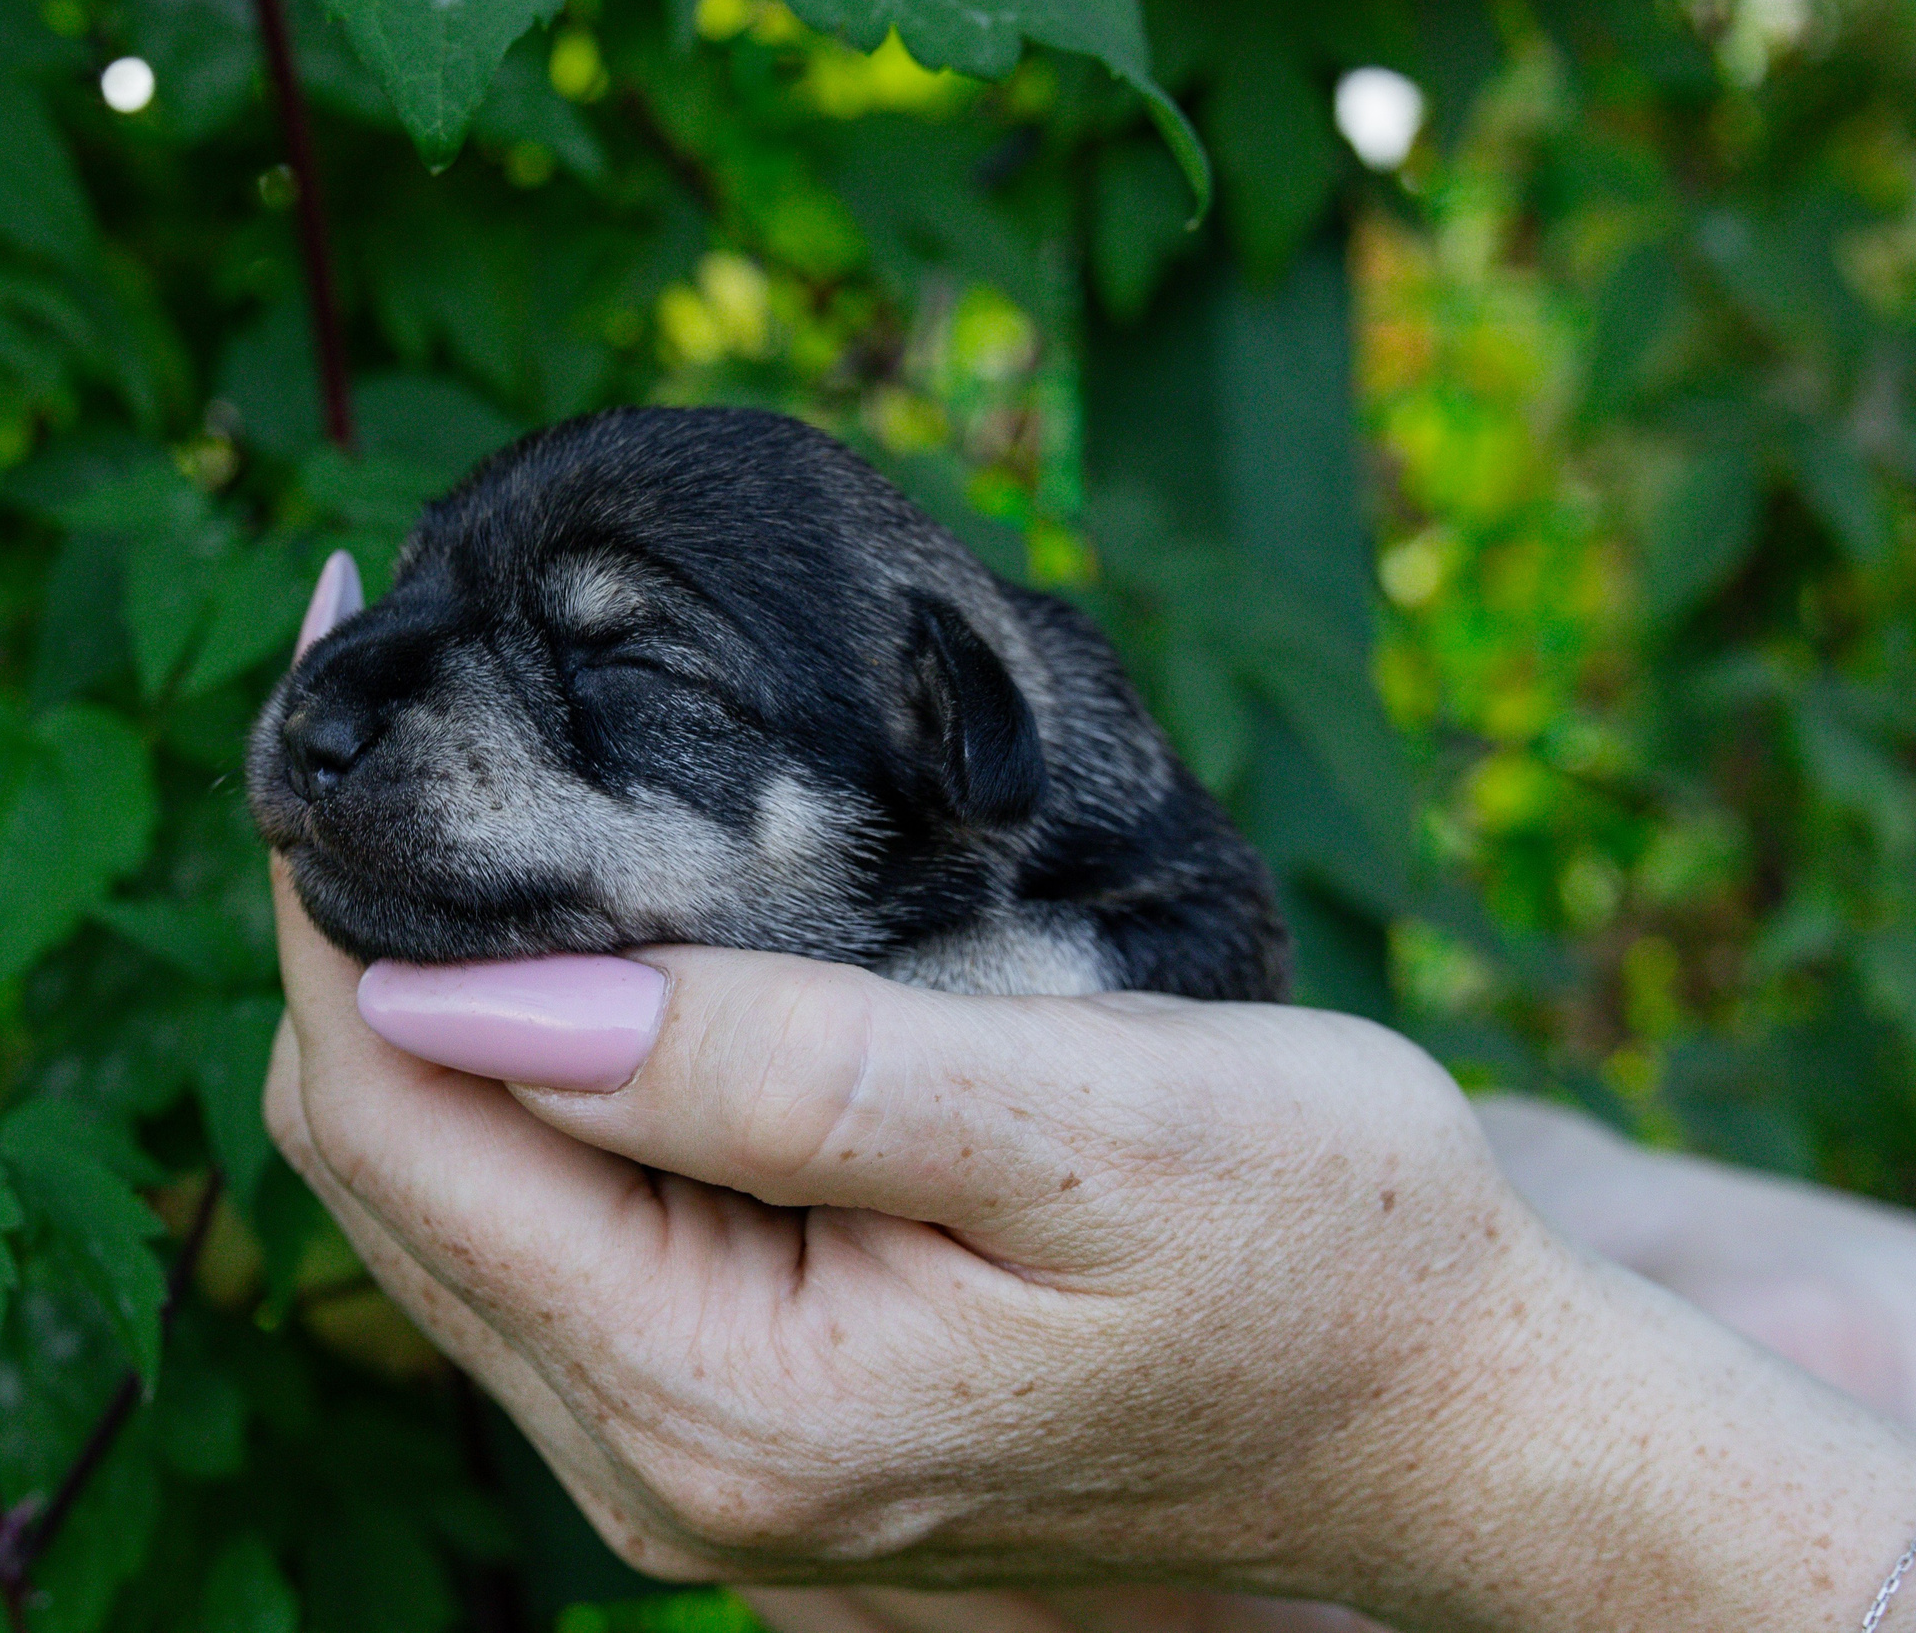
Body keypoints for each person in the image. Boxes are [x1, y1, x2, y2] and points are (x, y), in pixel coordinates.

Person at [264, 577, 1916, 1633]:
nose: (345, 702)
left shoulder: (1062, 802)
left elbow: (1211, 936)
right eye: (411, 592)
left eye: (621, 663)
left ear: (946, 736)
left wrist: (1454, 1426)